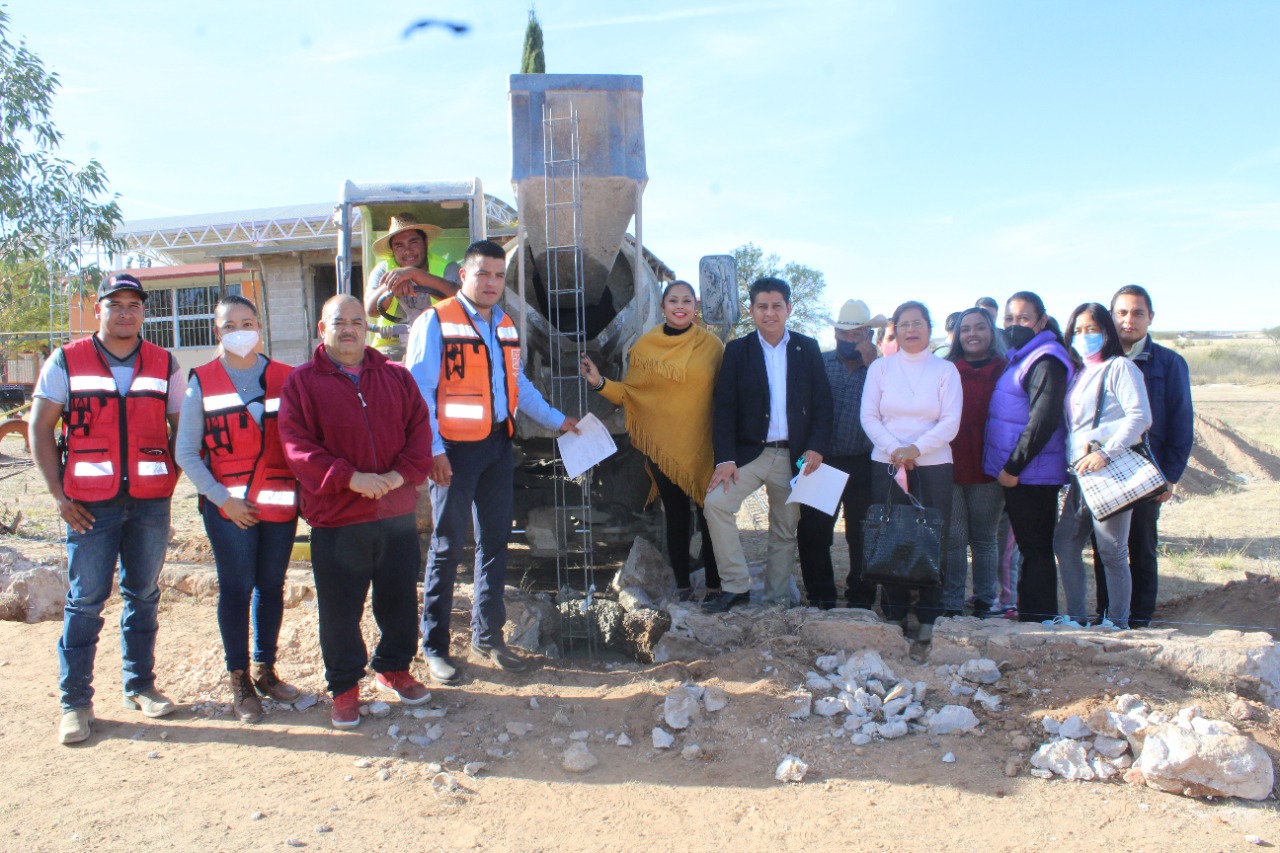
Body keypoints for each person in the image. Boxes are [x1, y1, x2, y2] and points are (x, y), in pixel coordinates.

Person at [406, 240, 579, 681]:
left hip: (498, 449)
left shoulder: (504, 324)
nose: (491, 283)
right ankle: (435, 647)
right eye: (483, 274)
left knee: (495, 545)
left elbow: (518, 386)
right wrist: (433, 452)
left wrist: (560, 421)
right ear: (462, 275)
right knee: (447, 547)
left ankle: (489, 637)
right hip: (453, 454)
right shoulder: (435, 321)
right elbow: (418, 393)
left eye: (499, 276)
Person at [29, 273, 184, 744]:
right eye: (115, 304)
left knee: (143, 595)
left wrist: (167, 479)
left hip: (149, 503)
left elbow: (183, 428)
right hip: (88, 507)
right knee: (85, 602)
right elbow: (39, 429)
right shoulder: (67, 360)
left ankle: (141, 686)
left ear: (143, 312)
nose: (125, 312)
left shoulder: (164, 363)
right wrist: (59, 497)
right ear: (98, 309)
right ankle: (75, 702)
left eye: (134, 304)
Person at [278, 295, 434, 729]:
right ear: (321, 330)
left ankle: (394, 667)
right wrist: (350, 478)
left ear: (366, 330)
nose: (348, 329)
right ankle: (345, 687)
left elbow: (419, 433)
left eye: (356, 322)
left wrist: (401, 476)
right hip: (338, 517)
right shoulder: (303, 383)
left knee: (399, 598)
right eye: (338, 322)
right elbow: (297, 446)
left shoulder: (396, 377)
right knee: (340, 609)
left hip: (396, 514)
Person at [174, 295, 301, 724]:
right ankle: (239, 678)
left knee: (271, 584)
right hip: (228, 510)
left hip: (279, 503)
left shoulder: (287, 378)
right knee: (237, 587)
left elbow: (303, 442)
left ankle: (266, 669)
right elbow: (186, 453)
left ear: (260, 325)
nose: (240, 331)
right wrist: (222, 500)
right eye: (230, 325)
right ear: (217, 332)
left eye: (247, 322)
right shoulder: (202, 382)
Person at [579, 281, 724, 600]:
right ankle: (683, 586)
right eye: (673, 300)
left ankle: (714, 586)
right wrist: (599, 382)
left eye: (687, 300)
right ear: (663, 307)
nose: (680, 305)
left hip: (703, 447)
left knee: (709, 516)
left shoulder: (712, 347)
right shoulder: (645, 348)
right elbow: (630, 394)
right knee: (675, 517)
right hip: (663, 449)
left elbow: (724, 396)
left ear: (695, 306)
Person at [703, 277, 832, 612]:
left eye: (777, 306)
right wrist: (725, 459)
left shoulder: (808, 348)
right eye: (762, 306)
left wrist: (816, 447)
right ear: (751, 310)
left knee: (785, 529)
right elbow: (724, 407)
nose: (770, 313)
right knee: (716, 504)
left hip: (795, 456)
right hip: (749, 454)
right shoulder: (737, 350)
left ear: (789, 308)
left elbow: (823, 404)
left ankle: (775, 600)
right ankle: (735, 586)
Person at [860, 301, 961, 642]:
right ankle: (895, 611)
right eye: (904, 324)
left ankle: (929, 615)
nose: (911, 329)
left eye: (918, 323)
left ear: (928, 328)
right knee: (891, 537)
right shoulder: (881, 369)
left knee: (932, 538)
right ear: (896, 330)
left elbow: (950, 421)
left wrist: (916, 449)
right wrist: (896, 450)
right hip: (887, 463)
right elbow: (869, 416)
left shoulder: (945, 370)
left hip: (933, 465)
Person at [1092, 285, 1193, 627]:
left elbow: (1181, 424)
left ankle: (1140, 621)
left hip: (1146, 474)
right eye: (1121, 312)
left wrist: (1171, 476)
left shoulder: (1169, 363)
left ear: (1150, 317)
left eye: (1137, 313)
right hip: (1104, 473)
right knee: (1106, 550)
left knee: (1142, 549)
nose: (1128, 320)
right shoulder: (1097, 364)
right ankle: (1107, 615)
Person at [1053, 303, 1153, 630]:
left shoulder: (1120, 368)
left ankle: (1117, 622)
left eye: (1091, 330)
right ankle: (1078, 617)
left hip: (1108, 471)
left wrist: (1106, 452)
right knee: (1065, 542)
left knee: (1111, 551)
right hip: (1082, 474)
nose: (1084, 336)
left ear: (1106, 332)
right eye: (1078, 331)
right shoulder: (1080, 372)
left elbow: (1140, 417)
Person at [983, 291, 1073, 623]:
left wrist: (1012, 466)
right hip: (1023, 473)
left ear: (1041, 322)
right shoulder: (1022, 356)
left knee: (1035, 550)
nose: (1015, 324)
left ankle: (1039, 618)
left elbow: (1043, 419)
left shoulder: (1046, 359)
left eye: (1023, 318)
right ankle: (1031, 612)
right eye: (1009, 318)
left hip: (1031, 474)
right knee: (1028, 546)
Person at [796, 298, 884, 610]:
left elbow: (894, 406)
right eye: (844, 334)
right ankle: (821, 598)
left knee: (863, 536)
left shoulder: (883, 369)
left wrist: (875, 364)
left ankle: (861, 598)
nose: (849, 340)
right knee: (814, 533)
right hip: (823, 460)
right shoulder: (819, 363)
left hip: (864, 461)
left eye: (857, 334)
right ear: (834, 333)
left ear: (868, 336)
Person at [941, 308, 1007, 618]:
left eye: (979, 327)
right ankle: (952, 602)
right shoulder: (946, 369)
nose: (972, 334)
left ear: (991, 331)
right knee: (953, 538)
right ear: (957, 335)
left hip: (988, 464)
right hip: (949, 463)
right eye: (966, 328)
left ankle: (985, 600)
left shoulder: (1005, 369)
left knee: (983, 538)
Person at [363, 213, 460, 360]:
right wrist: (393, 284)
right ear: (392, 251)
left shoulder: (449, 268)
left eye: (413, 243)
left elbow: (460, 300)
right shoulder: (383, 269)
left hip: (441, 341)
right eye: (399, 246)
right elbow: (371, 310)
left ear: (425, 242)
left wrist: (413, 274)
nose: (407, 251)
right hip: (392, 346)